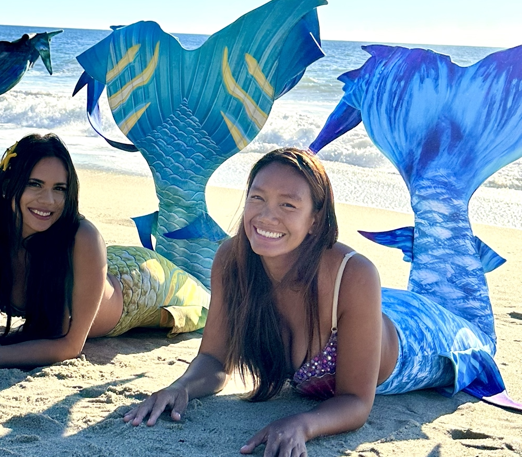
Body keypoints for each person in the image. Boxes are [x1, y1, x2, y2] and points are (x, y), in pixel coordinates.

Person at [124, 148, 507, 458]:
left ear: (315, 219)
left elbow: (356, 401)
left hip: (424, 336)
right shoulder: (233, 260)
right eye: (257, 197)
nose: (266, 214)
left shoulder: (353, 274)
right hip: (373, 308)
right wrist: (183, 387)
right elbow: (215, 359)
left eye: (288, 205)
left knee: (478, 337)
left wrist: (302, 424)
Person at [0, 133, 211, 378]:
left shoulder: (83, 237)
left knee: (209, 302)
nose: (50, 201)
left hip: (145, 287)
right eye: (35, 184)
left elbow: (70, 345)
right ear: (7, 185)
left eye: (60, 189)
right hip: (101, 268)